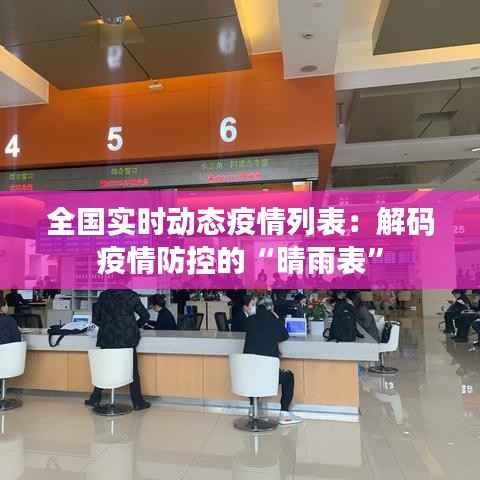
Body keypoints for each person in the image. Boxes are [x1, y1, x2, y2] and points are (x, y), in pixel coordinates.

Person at [85, 287, 151, 411]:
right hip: (127, 338)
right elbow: (145, 316)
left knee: (104, 368)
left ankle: (95, 399)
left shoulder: (104, 295)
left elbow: (95, 319)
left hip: (107, 338)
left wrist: (108, 326)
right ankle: (137, 402)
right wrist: (134, 326)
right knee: (132, 370)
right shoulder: (131, 295)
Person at [243, 296, 302, 425]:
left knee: (253, 372)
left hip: (247, 375)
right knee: (288, 377)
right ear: (272, 308)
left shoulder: (249, 321)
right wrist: (276, 318)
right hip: (268, 376)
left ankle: (253, 407)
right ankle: (284, 413)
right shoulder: (274, 321)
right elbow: (284, 335)